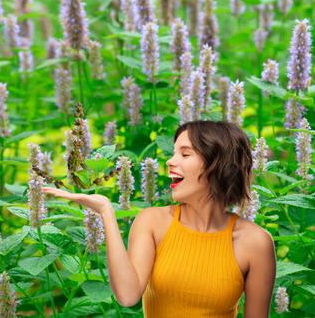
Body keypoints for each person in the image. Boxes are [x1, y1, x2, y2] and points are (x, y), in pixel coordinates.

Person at [42, 120, 276, 317]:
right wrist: (106, 212)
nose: (170, 161)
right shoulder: (152, 222)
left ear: (218, 165)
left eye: (185, 154)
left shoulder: (255, 242)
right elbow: (127, 295)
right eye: (174, 152)